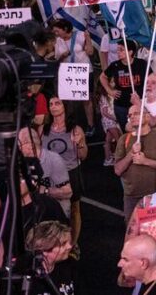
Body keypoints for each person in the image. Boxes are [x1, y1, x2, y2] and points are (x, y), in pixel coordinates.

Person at [114, 104, 156, 219]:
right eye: (130, 115)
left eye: (136, 113)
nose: (132, 117)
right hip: (132, 198)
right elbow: (118, 170)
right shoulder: (124, 139)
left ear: (148, 117)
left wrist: (146, 161)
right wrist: (131, 154)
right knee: (133, 233)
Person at [42, 96, 88, 247]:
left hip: (71, 172)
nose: (53, 107)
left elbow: (83, 156)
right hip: (50, 174)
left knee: (74, 209)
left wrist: (80, 143)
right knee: (50, 207)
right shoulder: (44, 129)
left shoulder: (75, 129)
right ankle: (54, 242)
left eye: (57, 103)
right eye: (51, 104)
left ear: (64, 107)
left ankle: (73, 243)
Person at [17, 126, 72, 217]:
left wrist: (45, 190)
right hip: (34, 211)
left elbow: (68, 192)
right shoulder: (22, 161)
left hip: (55, 212)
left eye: (20, 145)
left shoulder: (53, 159)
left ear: (30, 145)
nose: (18, 149)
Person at [101, 41, 148, 129]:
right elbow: (102, 77)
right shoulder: (115, 65)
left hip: (138, 104)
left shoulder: (141, 64)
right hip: (121, 105)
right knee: (125, 129)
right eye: (117, 50)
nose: (118, 52)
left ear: (130, 52)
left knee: (140, 128)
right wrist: (109, 91)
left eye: (121, 50)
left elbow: (151, 78)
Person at [19, 221, 76, 295]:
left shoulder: (68, 268)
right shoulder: (25, 279)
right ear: (44, 250)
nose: (69, 247)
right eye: (63, 244)